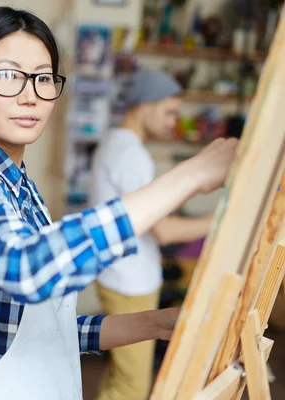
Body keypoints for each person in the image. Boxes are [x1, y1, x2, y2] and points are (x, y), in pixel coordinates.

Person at [0, 7, 237, 400]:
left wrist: (156, 323)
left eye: (43, 78)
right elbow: (24, 267)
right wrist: (190, 176)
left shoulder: (20, 186)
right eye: (9, 76)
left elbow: (48, 331)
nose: (30, 96)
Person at [90, 68, 215, 400]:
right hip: (128, 282)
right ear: (144, 107)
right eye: (169, 111)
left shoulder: (116, 144)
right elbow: (162, 230)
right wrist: (218, 221)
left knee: (122, 377)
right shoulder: (131, 154)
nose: (174, 121)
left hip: (120, 276)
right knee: (132, 386)